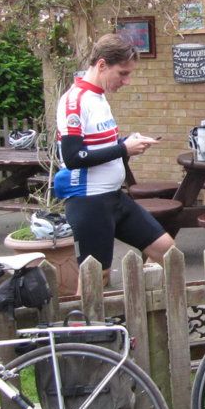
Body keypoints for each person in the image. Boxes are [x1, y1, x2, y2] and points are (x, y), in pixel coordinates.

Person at [55, 34, 174, 283]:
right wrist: (124, 150)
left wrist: (125, 143)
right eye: (122, 73)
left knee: (168, 251)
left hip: (115, 198)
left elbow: (97, 146)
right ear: (101, 65)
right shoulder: (74, 101)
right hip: (89, 203)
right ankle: (83, 323)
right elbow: (73, 156)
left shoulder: (99, 97)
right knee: (96, 280)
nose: (126, 81)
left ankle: (146, 309)